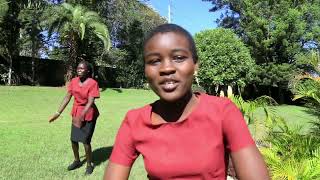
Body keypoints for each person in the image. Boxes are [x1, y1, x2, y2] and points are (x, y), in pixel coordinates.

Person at [104, 24, 269, 179]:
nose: (166, 68)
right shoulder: (135, 122)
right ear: (145, 70)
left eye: (178, 58)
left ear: (195, 65)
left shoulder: (223, 112)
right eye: (154, 61)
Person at [49, 60, 100, 175]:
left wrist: (82, 116)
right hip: (76, 111)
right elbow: (67, 98)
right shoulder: (74, 81)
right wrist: (57, 113)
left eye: (82, 68)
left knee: (86, 141)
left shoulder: (92, 83)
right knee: (73, 139)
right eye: (78, 68)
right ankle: (77, 161)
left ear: (87, 71)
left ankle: (89, 164)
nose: (79, 70)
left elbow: (90, 102)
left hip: (89, 114)